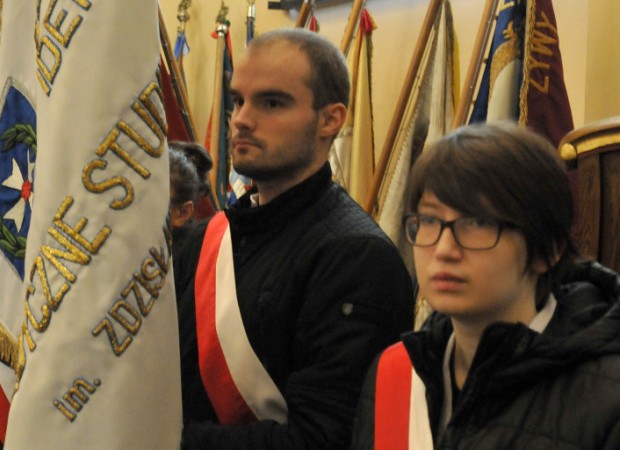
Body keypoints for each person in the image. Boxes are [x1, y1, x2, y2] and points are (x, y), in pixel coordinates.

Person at [173, 28, 414, 449]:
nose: (241, 119)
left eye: (271, 103)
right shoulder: (202, 242)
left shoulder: (358, 259)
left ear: (330, 119)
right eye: (238, 100)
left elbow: (319, 441)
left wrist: (157, 439)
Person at [351, 122, 620, 449]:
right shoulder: (395, 373)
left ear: (547, 250)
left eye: (478, 222)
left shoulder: (607, 396)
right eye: (430, 220)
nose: (444, 250)